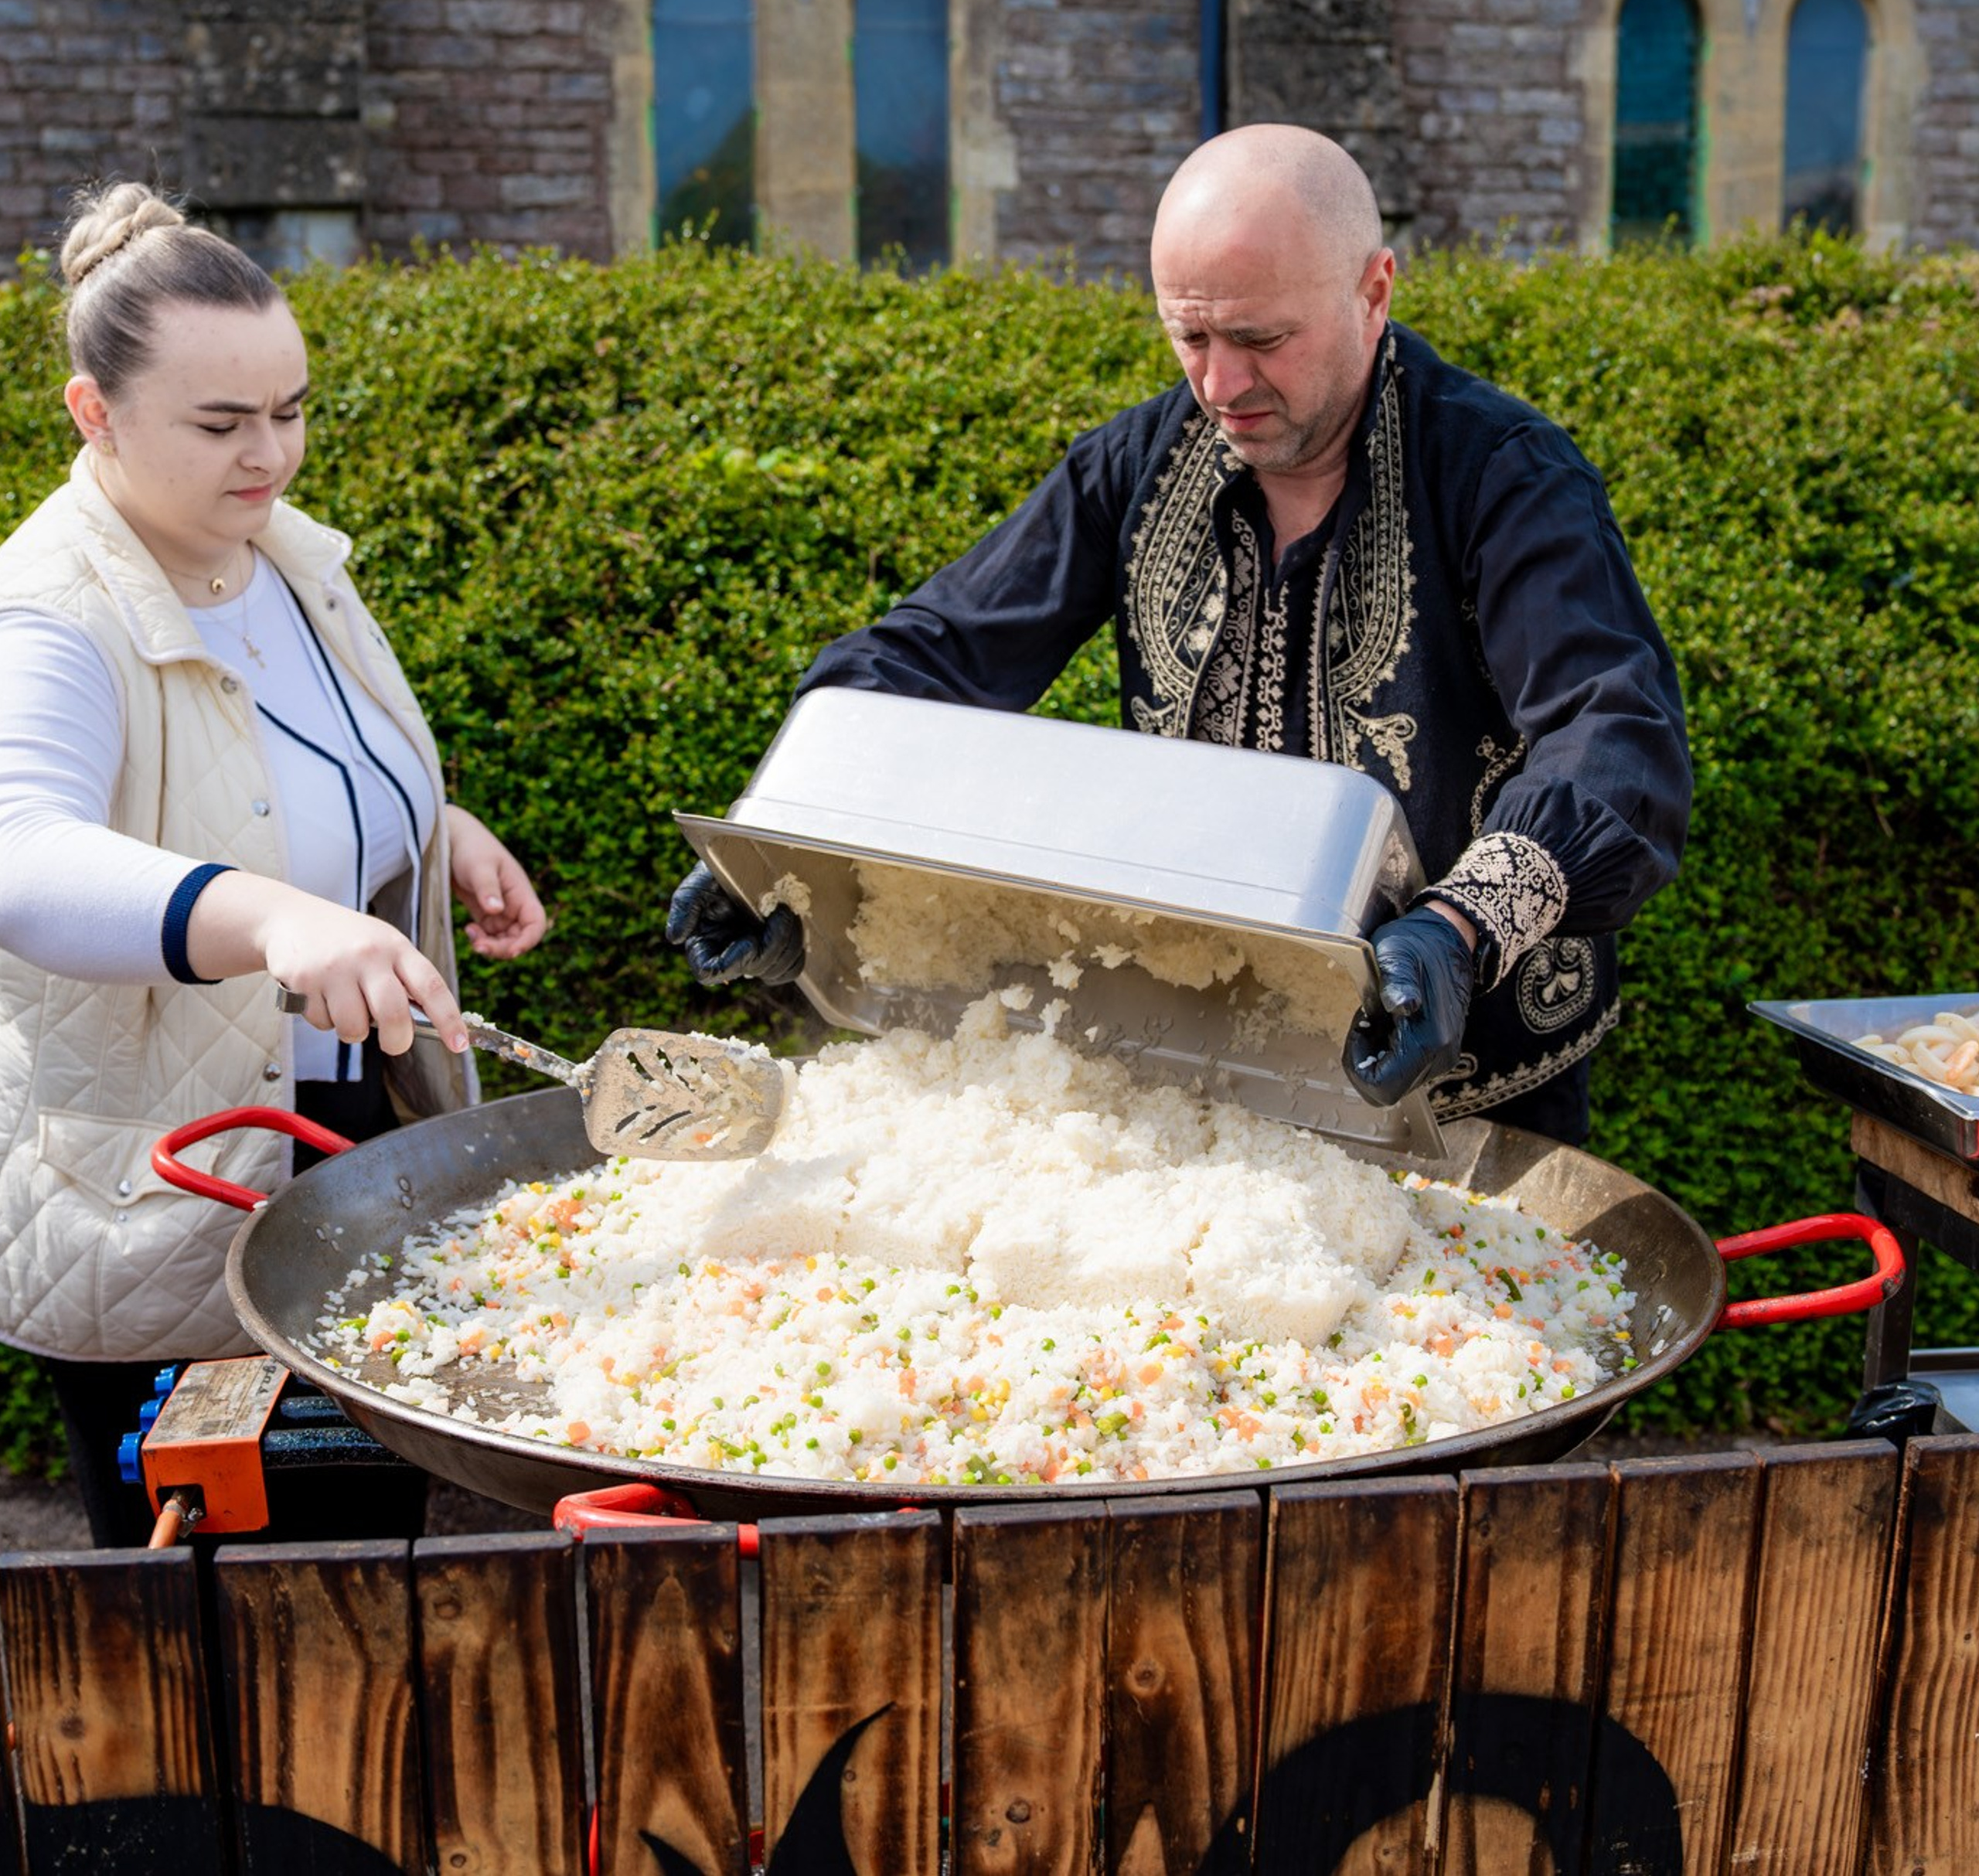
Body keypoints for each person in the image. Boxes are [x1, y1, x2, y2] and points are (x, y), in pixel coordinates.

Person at [669, 125, 1691, 1150]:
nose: (1221, 385)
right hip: (1205, 1079)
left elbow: (1615, 740)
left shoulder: (1504, 477)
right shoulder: (1135, 466)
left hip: (1473, 1097)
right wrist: (785, 842)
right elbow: (931, 655)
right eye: (1191, 337)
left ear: (1374, 291)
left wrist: (1458, 930)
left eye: (1262, 339)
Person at [0, 182, 547, 1546]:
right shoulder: (50, 609)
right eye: (223, 423)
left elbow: (271, 769)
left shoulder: (286, 556)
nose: (273, 455)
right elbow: (21, 857)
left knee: (371, 1576)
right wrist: (272, 918)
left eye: (292, 411)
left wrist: (424, 826)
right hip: (163, 1196)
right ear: (94, 413)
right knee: (225, 1626)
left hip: (346, 1148)